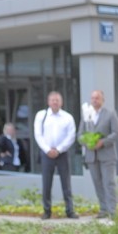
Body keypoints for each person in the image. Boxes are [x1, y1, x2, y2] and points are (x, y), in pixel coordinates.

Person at [34, 90, 77, 219]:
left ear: (61, 102)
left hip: (62, 153)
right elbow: (38, 134)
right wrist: (48, 150)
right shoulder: (41, 116)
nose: (55, 102)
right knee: (46, 183)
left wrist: (58, 149)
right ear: (48, 102)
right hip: (46, 153)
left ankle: (70, 210)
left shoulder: (67, 117)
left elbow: (71, 136)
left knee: (66, 183)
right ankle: (47, 211)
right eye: (52, 100)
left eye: (57, 100)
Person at [78, 90, 118, 217]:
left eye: (97, 98)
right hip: (92, 156)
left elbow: (117, 133)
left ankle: (112, 211)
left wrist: (103, 142)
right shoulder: (86, 115)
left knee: (109, 183)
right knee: (97, 183)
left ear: (103, 100)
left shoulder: (110, 114)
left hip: (107, 155)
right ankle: (103, 209)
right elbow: (80, 135)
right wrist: (87, 142)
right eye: (92, 98)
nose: (94, 100)